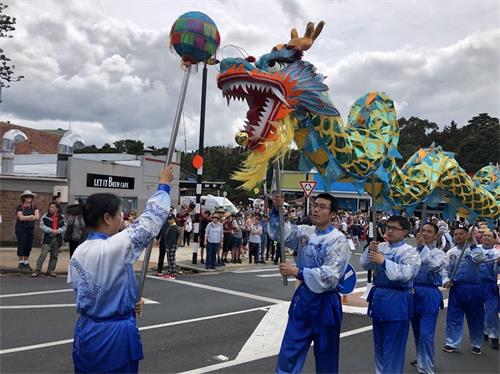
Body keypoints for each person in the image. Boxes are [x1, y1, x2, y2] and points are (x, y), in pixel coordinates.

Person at [67, 165, 173, 373]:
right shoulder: (111, 247)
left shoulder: (79, 251)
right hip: (111, 337)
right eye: (119, 215)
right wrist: (164, 185)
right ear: (107, 218)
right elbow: (150, 222)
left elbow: (92, 290)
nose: (122, 219)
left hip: (86, 332)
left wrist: (127, 300)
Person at [270, 193, 351, 374]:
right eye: (315, 205)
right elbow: (279, 233)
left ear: (333, 214)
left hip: (326, 303)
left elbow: (331, 276)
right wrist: (277, 210)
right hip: (304, 299)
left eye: (322, 207)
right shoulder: (305, 232)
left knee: (326, 355)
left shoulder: (338, 240)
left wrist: (297, 272)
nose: (316, 209)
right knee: (289, 350)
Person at [360, 215, 420, 374]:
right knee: (378, 344)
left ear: (405, 231)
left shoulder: (410, 252)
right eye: (388, 227)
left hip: (397, 300)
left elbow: (406, 274)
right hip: (379, 298)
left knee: (393, 345)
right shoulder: (382, 247)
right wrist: (370, 250)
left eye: (394, 228)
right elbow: (365, 264)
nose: (390, 231)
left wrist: (384, 262)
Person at [442, 223, 486, 355]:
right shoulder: (451, 252)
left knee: (476, 317)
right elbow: (445, 270)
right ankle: (452, 343)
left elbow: (480, 259)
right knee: (454, 316)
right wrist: (446, 280)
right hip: (457, 288)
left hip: (474, 288)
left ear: (467, 235)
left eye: (461, 234)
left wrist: (472, 245)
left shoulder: (475, 249)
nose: (458, 236)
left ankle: (476, 343)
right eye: (456, 234)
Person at [410, 223, 446, 374]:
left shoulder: (440, 253)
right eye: (423, 230)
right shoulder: (411, 251)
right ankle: (421, 358)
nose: (425, 233)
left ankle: (428, 366)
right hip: (413, 293)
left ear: (436, 236)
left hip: (429, 294)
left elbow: (435, 265)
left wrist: (423, 248)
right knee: (417, 331)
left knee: (426, 332)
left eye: (429, 232)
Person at [32, 202, 67, 277]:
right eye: (50, 207)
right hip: (47, 238)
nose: (50, 208)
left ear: (57, 209)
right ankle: (37, 270)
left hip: (57, 238)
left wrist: (57, 231)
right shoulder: (45, 216)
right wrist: (51, 230)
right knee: (43, 254)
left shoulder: (62, 217)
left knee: (54, 255)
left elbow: (64, 227)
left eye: (52, 207)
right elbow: (42, 226)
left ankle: (50, 271)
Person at [479, 229, 499, 350]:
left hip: (490, 285)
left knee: (492, 311)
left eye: (489, 236)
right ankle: (484, 330)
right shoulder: (475, 250)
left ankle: (495, 337)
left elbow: (497, 271)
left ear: (494, 239)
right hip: (476, 285)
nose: (486, 237)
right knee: (478, 311)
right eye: (484, 235)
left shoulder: (496, 253)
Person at [15, 190, 40, 272]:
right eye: (27, 196)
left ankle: (26, 262)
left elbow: (37, 217)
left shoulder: (34, 207)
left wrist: (28, 217)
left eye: (30, 196)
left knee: (28, 245)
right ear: (23, 198)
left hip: (30, 228)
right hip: (21, 229)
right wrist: (31, 216)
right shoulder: (20, 207)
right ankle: (21, 262)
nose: (29, 198)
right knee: (21, 244)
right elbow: (20, 218)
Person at [159, 214, 180, 279]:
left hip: (171, 245)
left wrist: (168, 246)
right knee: (170, 259)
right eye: (168, 219)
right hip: (170, 245)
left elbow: (172, 239)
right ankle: (170, 272)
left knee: (171, 259)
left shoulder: (173, 227)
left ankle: (173, 273)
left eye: (170, 219)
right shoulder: (172, 226)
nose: (169, 220)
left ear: (173, 219)